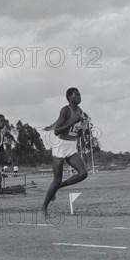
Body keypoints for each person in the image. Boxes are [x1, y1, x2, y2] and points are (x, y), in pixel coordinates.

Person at [41, 87, 89, 217]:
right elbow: (57, 130)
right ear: (69, 98)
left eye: (80, 94)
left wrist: (79, 131)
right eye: (76, 95)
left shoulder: (80, 111)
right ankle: (44, 207)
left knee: (83, 174)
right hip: (60, 145)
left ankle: (58, 187)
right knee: (56, 179)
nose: (79, 97)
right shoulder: (65, 110)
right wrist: (73, 121)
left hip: (71, 145)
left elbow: (77, 130)